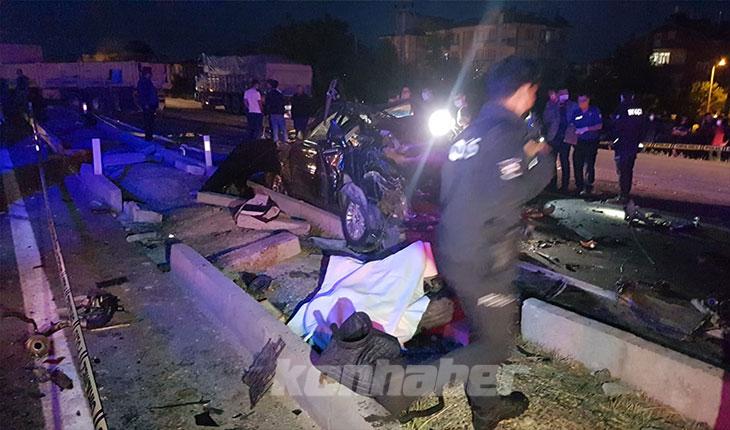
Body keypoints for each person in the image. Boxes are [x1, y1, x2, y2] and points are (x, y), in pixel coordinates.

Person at [377, 56, 553, 428]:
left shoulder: (470, 133)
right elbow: (512, 193)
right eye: (533, 92)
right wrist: (542, 158)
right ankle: (405, 388)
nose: (533, 100)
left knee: (483, 327)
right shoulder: (508, 133)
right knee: (495, 345)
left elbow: (463, 185)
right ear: (523, 91)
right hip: (483, 256)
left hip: (453, 246)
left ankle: (487, 408)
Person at [610, 92, 646, 204]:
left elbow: (617, 125)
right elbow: (643, 126)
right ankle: (625, 193)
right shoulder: (638, 109)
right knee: (628, 170)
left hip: (623, 144)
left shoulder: (622, 108)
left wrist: (614, 140)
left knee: (622, 170)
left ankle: (623, 195)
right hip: (633, 144)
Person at [542, 88, 577, 192]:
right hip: (554, 137)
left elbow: (574, 119)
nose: (564, 96)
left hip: (566, 138)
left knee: (564, 161)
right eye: (562, 94)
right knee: (551, 162)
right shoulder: (551, 105)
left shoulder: (572, 105)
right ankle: (552, 184)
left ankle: (565, 186)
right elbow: (546, 119)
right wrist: (555, 105)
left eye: (566, 94)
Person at [570, 94, 603, 196]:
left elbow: (599, 125)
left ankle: (588, 186)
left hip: (591, 141)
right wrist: (573, 131)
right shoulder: (576, 112)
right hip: (579, 142)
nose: (581, 103)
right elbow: (572, 124)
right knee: (577, 163)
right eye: (579, 101)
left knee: (589, 164)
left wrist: (587, 129)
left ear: (588, 100)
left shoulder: (594, 111)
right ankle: (579, 186)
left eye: (583, 101)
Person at [136, 68, 158, 141]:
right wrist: (145, 103)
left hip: (151, 104)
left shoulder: (148, 82)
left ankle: (149, 135)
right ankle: (148, 136)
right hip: (148, 104)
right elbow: (142, 94)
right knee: (148, 120)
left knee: (150, 120)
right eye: (149, 73)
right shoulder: (143, 82)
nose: (150, 75)